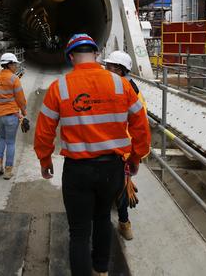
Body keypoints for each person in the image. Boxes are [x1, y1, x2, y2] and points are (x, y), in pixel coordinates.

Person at [34, 34, 151, 276]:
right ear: (97, 54)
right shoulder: (121, 85)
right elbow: (140, 124)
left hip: (78, 171)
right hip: (112, 170)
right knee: (102, 220)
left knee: (78, 233)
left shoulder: (60, 87)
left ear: (70, 57)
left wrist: (45, 160)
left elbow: (44, 130)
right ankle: (101, 271)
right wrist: (136, 157)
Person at [103, 50, 148, 241]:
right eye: (107, 66)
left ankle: (124, 224)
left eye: (110, 67)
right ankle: (123, 224)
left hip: (121, 146)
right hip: (116, 144)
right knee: (119, 184)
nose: (106, 69)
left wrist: (134, 155)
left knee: (119, 187)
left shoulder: (127, 90)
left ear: (121, 70)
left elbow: (140, 123)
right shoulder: (127, 87)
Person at [0, 52, 27, 180]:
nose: (15, 66)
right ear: (9, 64)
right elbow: (21, 99)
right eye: (14, 64)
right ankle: (8, 171)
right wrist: (24, 112)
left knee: (2, 137)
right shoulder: (14, 79)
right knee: (10, 142)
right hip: (11, 116)